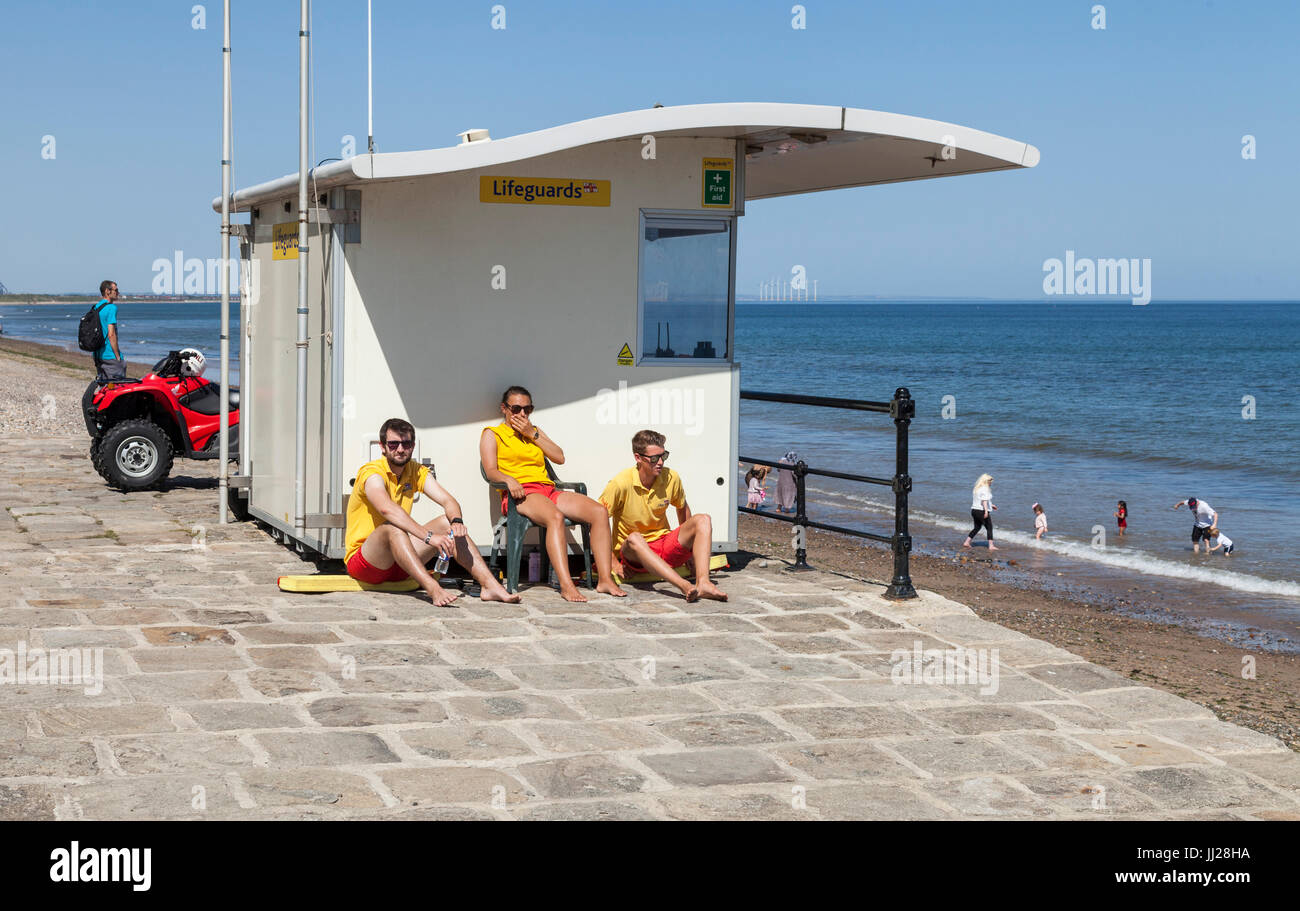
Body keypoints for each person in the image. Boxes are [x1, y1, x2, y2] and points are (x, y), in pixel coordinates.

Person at [346, 417, 520, 607]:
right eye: (394, 444)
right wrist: (429, 537)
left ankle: (490, 586)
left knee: (447, 523)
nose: (400, 449)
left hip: (402, 566)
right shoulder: (371, 472)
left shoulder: (415, 470)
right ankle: (433, 589)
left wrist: (457, 522)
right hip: (367, 565)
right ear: (383, 446)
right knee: (392, 528)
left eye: (406, 443)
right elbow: (386, 509)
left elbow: (448, 500)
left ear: (413, 446)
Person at [479, 385, 625, 602]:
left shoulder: (534, 431)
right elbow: (490, 470)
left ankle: (604, 580)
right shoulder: (492, 434)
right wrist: (509, 480)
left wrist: (532, 433)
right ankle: (566, 586)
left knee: (598, 511)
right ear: (504, 408)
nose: (522, 414)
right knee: (554, 517)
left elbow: (559, 457)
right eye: (516, 408)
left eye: (527, 409)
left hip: (547, 489)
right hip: (521, 493)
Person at [600, 430, 727, 602]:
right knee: (635, 538)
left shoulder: (671, 477)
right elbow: (598, 521)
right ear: (638, 458)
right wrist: (613, 561)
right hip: (634, 555)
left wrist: (690, 553)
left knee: (703, 519)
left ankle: (703, 583)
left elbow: (683, 509)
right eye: (654, 458)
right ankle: (683, 585)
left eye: (663, 456)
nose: (660, 462)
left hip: (663, 545)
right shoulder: (620, 483)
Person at [93, 280, 126, 382]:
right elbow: (111, 334)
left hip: (98, 355)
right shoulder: (111, 308)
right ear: (107, 291)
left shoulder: (96, 307)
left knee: (104, 388)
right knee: (117, 389)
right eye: (116, 290)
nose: (118, 293)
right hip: (110, 355)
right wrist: (117, 356)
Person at [963, 473, 998, 550]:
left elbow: (980, 500)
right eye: (990, 482)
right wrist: (986, 511)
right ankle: (991, 546)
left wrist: (991, 505)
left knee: (977, 527)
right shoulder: (985, 489)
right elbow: (984, 501)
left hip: (974, 510)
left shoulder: (977, 488)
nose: (991, 483)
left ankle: (967, 542)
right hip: (981, 511)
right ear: (986, 481)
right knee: (989, 527)